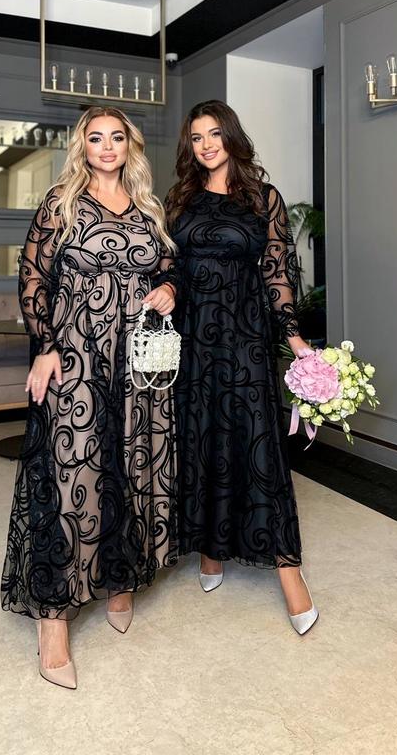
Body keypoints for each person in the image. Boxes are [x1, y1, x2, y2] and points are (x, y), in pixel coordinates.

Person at [1, 106, 178, 689]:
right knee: (71, 471)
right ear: (83, 146)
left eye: (116, 137)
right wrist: (45, 347)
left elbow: (170, 267)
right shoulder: (62, 202)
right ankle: (53, 618)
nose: (107, 147)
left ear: (130, 146)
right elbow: (33, 276)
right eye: (96, 138)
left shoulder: (149, 207)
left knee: (131, 466)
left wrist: (170, 289)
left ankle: (119, 580)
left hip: (138, 363)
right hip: (75, 355)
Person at [164, 99, 318, 635]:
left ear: (231, 137)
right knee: (200, 438)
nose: (206, 145)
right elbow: (168, 266)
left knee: (257, 441)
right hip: (190, 338)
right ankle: (210, 549)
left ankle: (289, 571)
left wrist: (293, 338)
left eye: (214, 134)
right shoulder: (179, 199)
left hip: (245, 335)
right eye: (197, 137)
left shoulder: (262, 198)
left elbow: (277, 273)